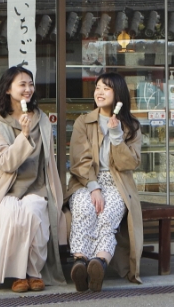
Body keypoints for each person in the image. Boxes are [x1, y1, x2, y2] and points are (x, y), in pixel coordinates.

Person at [0, 66, 66, 292]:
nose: (28, 89)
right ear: (8, 89)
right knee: (10, 215)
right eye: (22, 84)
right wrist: (24, 136)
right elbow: (6, 162)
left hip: (37, 186)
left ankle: (33, 272)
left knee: (33, 212)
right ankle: (16, 275)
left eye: (30, 84)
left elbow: (48, 160)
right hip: (6, 190)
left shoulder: (41, 120)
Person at [65, 72, 144, 292]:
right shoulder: (84, 121)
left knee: (107, 215)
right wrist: (94, 188)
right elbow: (79, 160)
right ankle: (80, 262)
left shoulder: (132, 126)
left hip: (118, 183)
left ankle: (98, 263)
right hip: (85, 181)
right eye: (97, 87)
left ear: (118, 94)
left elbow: (130, 163)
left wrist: (117, 135)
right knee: (83, 208)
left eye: (106, 88)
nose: (99, 92)